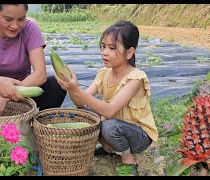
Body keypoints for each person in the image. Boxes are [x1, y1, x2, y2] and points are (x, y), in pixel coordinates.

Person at [54, 20, 158, 176]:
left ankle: (128, 158)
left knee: (108, 125)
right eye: (103, 46)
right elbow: (80, 102)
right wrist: (70, 88)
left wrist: (76, 88)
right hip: (113, 126)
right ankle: (108, 145)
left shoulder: (136, 78)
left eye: (112, 48)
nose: (104, 52)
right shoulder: (104, 73)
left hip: (138, 135)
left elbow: (109, 112)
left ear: (129, 53)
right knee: (84, 115)